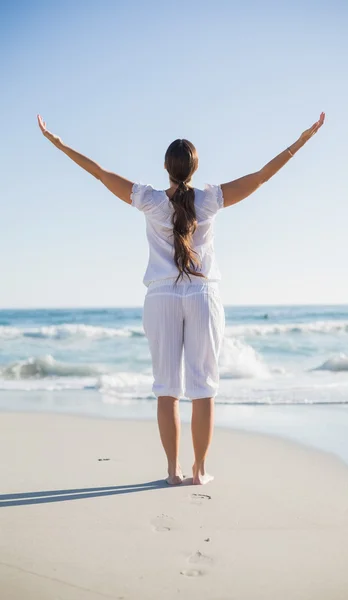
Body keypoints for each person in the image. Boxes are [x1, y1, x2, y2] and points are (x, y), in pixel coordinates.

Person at [37, 111, 325, 485]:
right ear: (194, 168)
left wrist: (58, 143)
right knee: (203, 388)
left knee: (166, 388)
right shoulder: (211, 200)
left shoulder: (149, 200)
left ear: (165, 168)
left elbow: (99, 172)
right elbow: (261, 176)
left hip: (161, 298)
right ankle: (199, 471)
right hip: (203, 296)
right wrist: (302, 139)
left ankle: (173, 472)